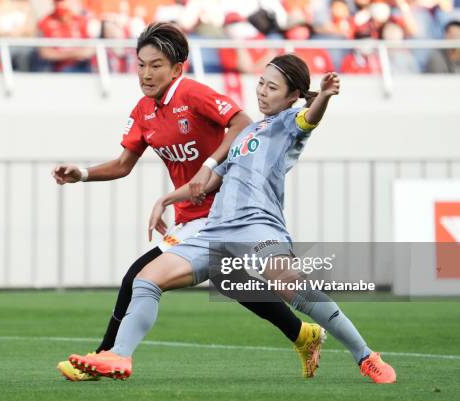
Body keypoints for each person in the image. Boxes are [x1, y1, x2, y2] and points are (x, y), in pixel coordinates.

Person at [69, 54, 397, 385]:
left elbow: (311, 119)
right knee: (146, 278)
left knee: (291, 286)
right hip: (216, 230)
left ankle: (366, 356)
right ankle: (118, 356)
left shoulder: (289, 123)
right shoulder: (246, 134)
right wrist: (167, 199)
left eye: (272, 87)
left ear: (293, 95)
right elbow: (210, 181)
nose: (263, 92)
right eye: (261, 83)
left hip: (259, 226)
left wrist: (324, 95)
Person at [54, 23, 324, 382]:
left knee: (137, 276)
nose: (146, 74)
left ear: (177, 68)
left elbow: (241, 121)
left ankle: (104, 357)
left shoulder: (193, 94)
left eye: (156, 65)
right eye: (140, 65)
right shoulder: (143, 111)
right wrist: (83, 174)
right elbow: (122, 164)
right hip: (190, 214)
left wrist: (211, 165)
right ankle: (303, 334)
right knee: (232, 281)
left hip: (221, 211)